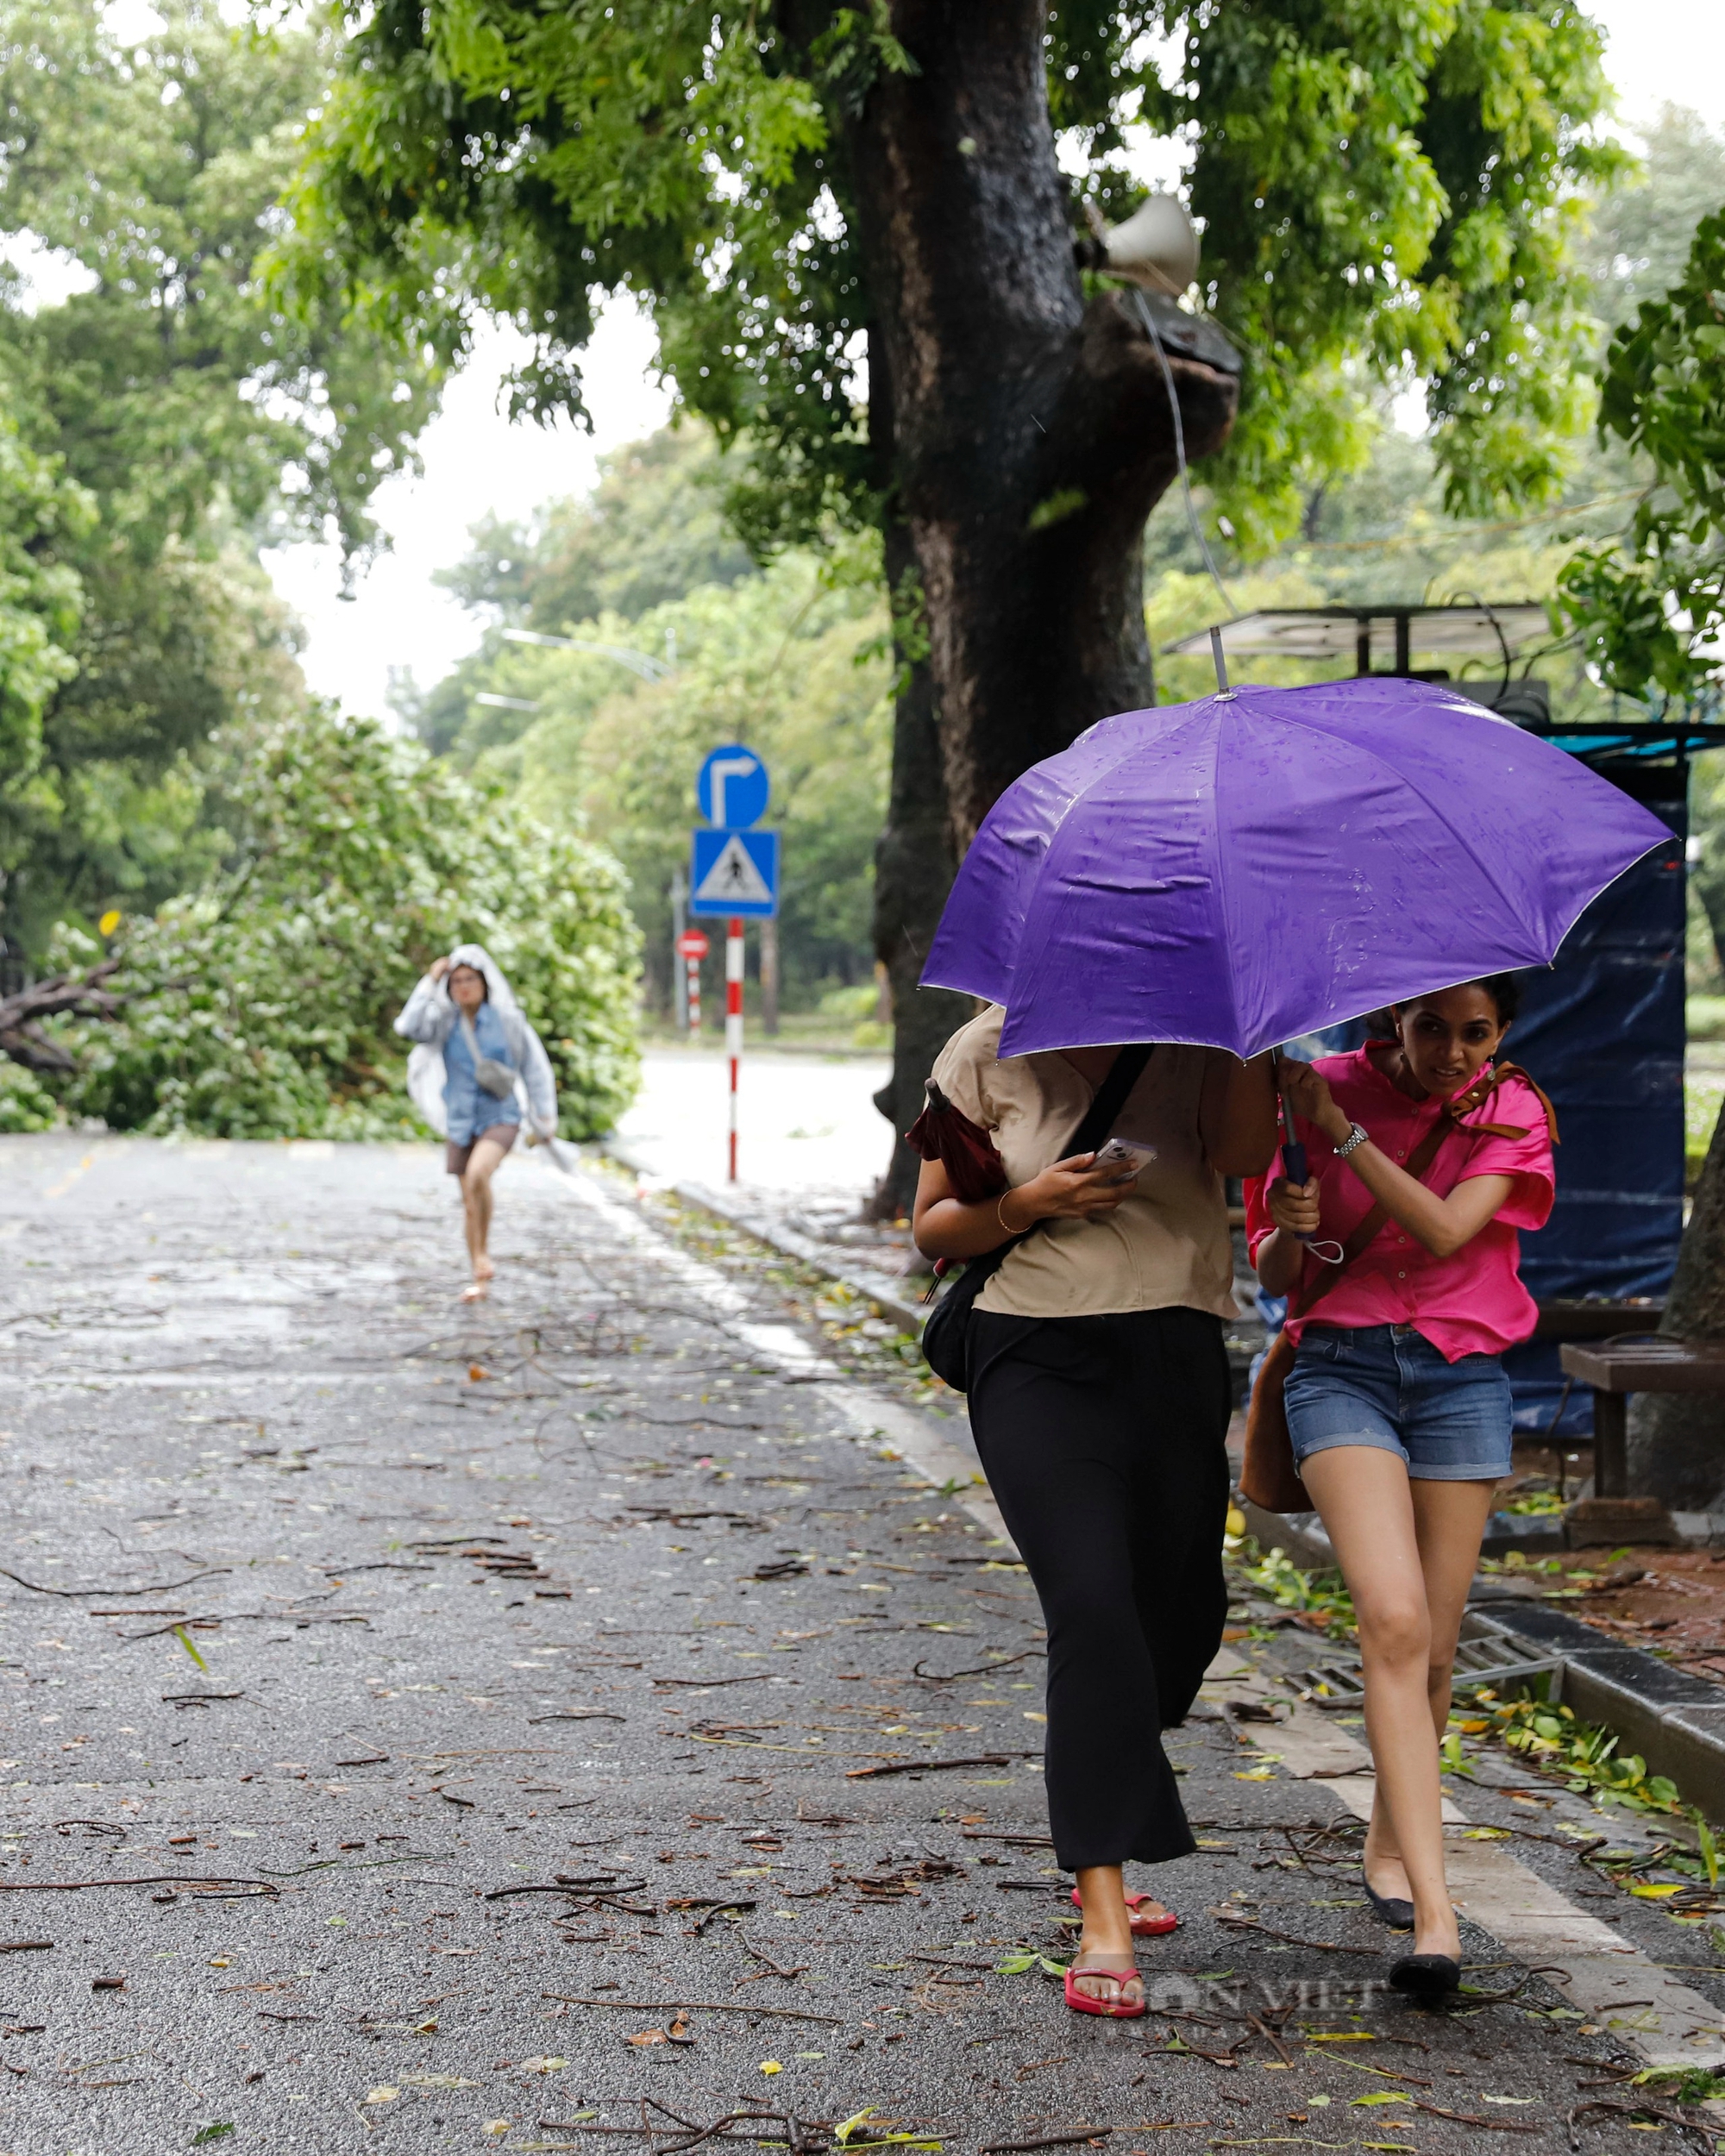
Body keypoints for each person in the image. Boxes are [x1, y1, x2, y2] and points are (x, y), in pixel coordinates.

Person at [912, 1006, 1278, 2018]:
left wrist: (1257, 1032)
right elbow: (934, 1225)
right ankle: (1102, 1909)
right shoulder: (982, 1050)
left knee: (1178, 1613)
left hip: (1173, 1349)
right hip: (1031, 1348)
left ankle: (1111, 1775)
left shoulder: (1206, 1030)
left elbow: (1244, 1154)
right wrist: (1027, 1201)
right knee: (1091, 1603)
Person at [1245, 977, 1555, 1998]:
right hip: (1339, 1370)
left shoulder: (1511, 1107)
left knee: (1434, 1634)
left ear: (1500, 1032)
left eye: (1475, 1032)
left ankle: (1388, 1843)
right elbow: (1282, 1272)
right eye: (1432, 1028)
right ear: (1394, 1020)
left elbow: (1440, 1232)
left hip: (1461, 1378)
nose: (1452, 1052)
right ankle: (1434, 1913)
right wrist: (1289, 1220)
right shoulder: (1309, 1088)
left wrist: (1341, 1140)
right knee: (1390, 1617)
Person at [394, 944, 559, 1300]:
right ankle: (478, 1277)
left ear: (485, 982)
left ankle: (483, 1254)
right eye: (455, 981)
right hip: (460, 1120)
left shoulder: (508, 1021)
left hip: (501, 1115)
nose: (463, 987)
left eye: (470, 979)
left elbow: (535, 1067)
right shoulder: (444, 1023)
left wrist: (545, 1115)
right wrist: (429, 980)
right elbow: (407, 1027)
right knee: (469, 1199)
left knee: (478, 1174)